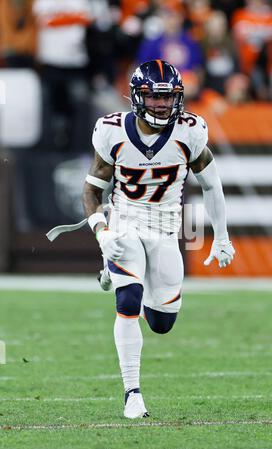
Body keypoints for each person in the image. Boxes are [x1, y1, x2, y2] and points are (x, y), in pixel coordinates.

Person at [82, 59, 235, 419]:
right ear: (137, 97)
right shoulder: (112, 131)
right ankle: (131, 393)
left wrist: (222, 237)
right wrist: (101, 232)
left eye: (169, 98)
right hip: (126, 221)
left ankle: (119, 272)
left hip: (167, 230)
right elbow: (91, 191)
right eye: (154, 98)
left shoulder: (190, 131)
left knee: (162, 324)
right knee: (129, 297)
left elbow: (212, 184)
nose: (163, 105)